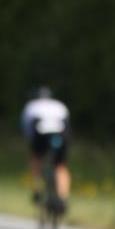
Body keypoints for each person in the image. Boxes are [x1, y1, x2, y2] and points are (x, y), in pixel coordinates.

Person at [21, 86, 71, 214]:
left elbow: (27, 128)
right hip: (61, 134)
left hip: (41, 133)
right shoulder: (59, 105)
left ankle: (37, 190)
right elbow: (67, 123)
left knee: (36, 158)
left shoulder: (31, 105)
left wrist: (32, 142)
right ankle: (63, 198)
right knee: (61, 166)